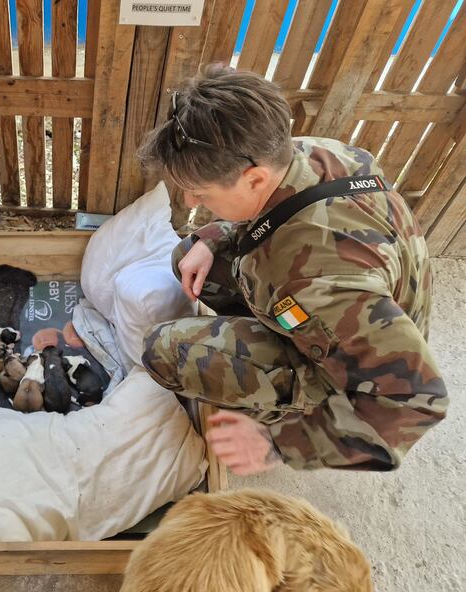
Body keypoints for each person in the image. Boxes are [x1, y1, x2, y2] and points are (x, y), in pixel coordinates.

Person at [137, 64, 448, 475]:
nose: (191, 201)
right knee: (189, 256)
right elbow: (277, 207)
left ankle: (281, 405)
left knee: (167, 351)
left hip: (353, 360)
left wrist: (277, 444)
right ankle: (268, 336)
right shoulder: (309, 151)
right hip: (354, 307)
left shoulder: (318, 281)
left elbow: (415, 401)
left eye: (202, 191)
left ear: (254, 177)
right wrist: (211, 239)